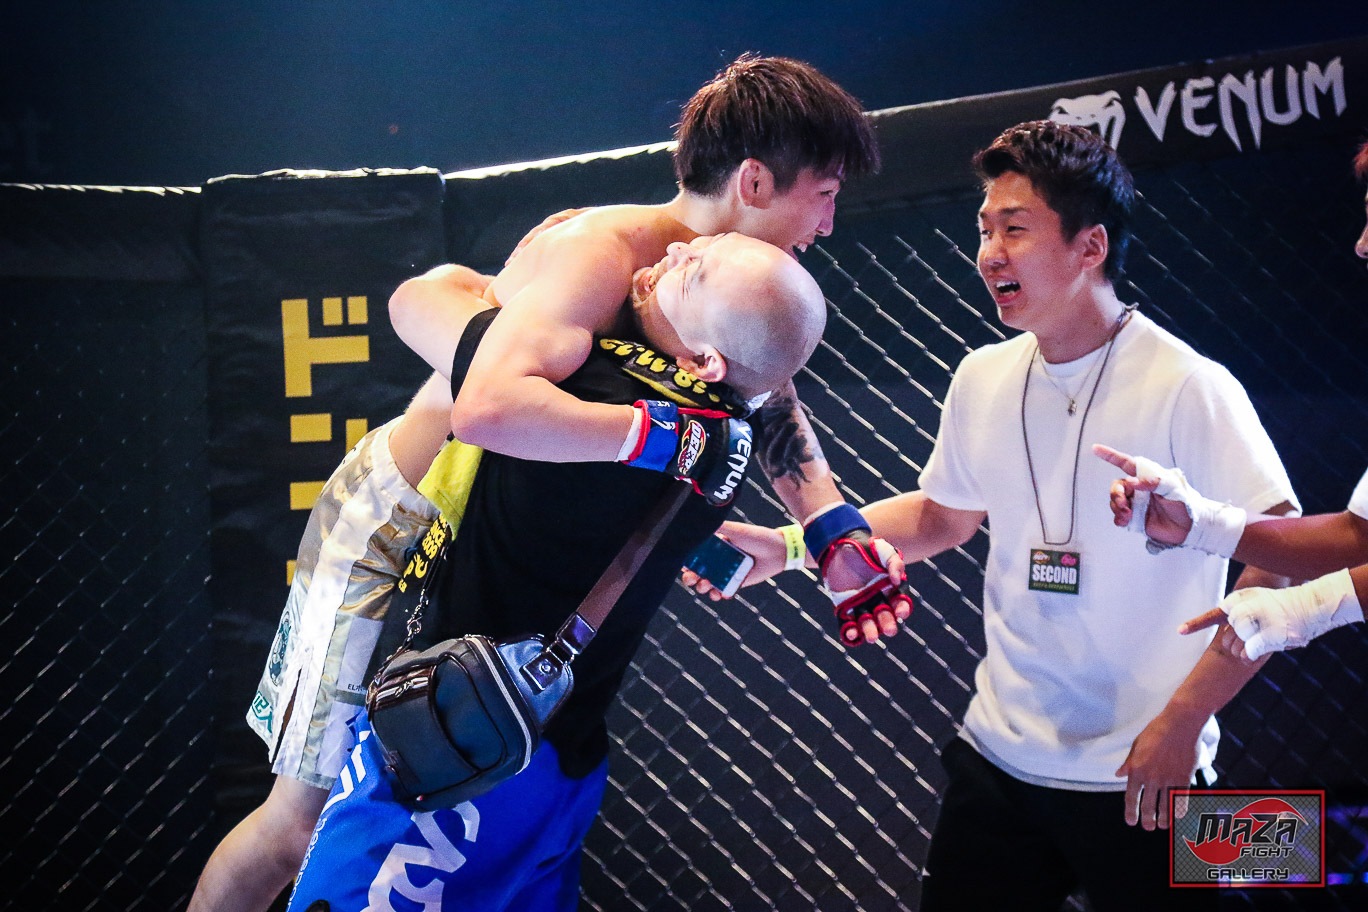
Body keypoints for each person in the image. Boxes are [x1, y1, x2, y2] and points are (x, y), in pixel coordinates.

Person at [188, 53, 898, 912]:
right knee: (299, 823)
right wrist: (655, 433)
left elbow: (762, 379)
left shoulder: (717, 299)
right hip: (398, 529)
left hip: (487, 572)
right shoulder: (607, 256)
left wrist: (829, 526)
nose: (827, 223)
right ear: (754, 181)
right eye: (823, 194)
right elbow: (479, 389)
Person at [707, 120, 1298, 910]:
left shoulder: (1189, 383)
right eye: (984, 229)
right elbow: (942, 518)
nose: (989, 253)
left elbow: (1282, 555)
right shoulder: (982, 375)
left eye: (1014, 229)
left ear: (1090, 247)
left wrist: (1188, 718)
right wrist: (789, 544)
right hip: (999, 762)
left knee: (1287, 861)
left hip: (1153, 771)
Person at [284, 230, 827, 911]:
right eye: (699, 246)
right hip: (561, 764)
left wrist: (560, 263)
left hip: (458, 745)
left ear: (704, 360)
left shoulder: (584, 387)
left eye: (694, 273)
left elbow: (422, 302)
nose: (675, 253)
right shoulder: (728, 445)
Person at [1091, 139, 1368, 661]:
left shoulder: (1189, 377)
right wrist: (1200, 523)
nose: (1361, 245)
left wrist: (1310, 606)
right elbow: (1361, 537)